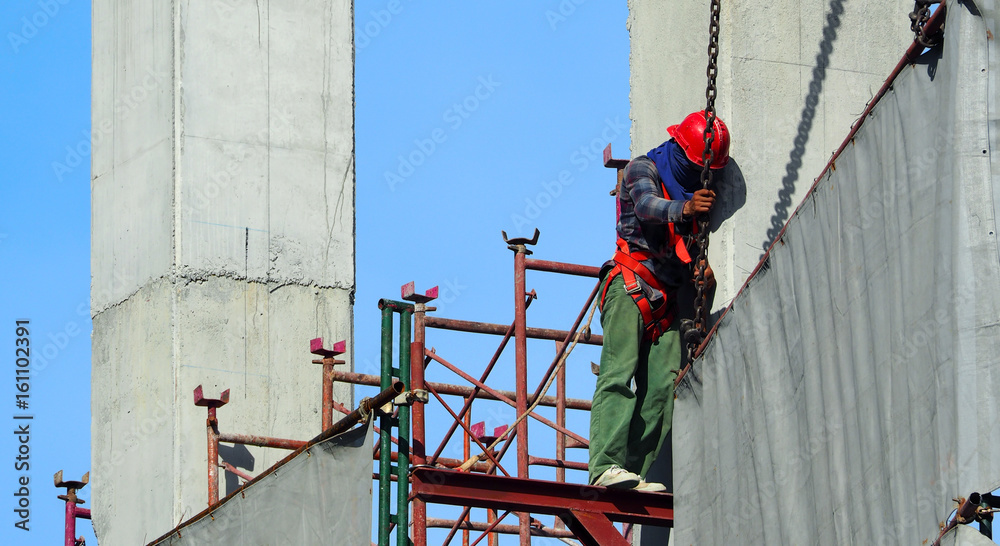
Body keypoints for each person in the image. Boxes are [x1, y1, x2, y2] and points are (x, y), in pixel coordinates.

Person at [589, 111, 730, 491]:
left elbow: (683, 258)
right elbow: (648, 206)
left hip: (664, 305)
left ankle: (628, 470)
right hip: (631, 284)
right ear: (680, 150)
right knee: (618, 374)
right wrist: (685, 209)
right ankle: (605, 466)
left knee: (663, 389)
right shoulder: (642, 169)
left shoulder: (693, 200)